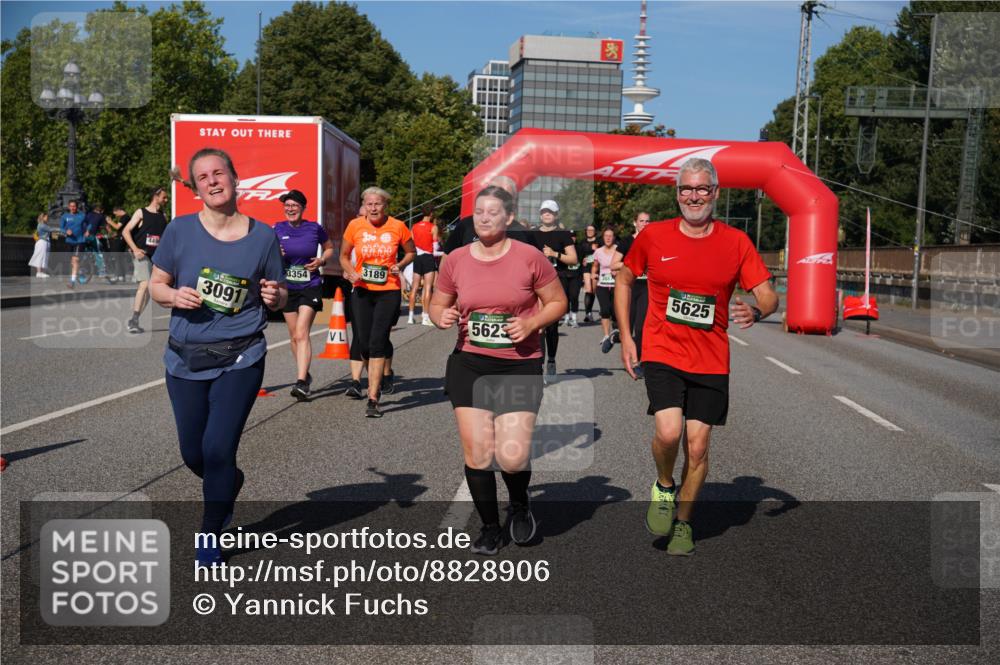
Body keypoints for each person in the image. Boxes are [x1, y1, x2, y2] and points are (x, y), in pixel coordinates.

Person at [615, 158, 778, 556]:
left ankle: (684, 524)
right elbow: (623, 277)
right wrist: (626, 337)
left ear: (715, 193)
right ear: (677, 194)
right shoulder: (654, 236)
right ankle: (664, 484)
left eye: (702, 189)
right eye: (686, 189)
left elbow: (769, 295)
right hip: (662, 348)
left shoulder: (736, 241)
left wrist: (757, 310)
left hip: (710, 358)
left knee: (699, 445)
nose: (694, 196)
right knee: (669, 432)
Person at [150, 147, 286, 566]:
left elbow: (280, 295)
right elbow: (157, 286)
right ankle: (228, 482)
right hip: (184, 357)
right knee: (194, 453)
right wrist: (174, 295)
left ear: (234, 177)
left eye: (218, 173)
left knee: (217, 447)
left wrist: (274, 295)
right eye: (203, 177)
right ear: (195, 188)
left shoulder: (262, 236)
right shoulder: (179, 230)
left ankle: (211, 531)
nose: (212, 181)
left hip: (239, 355)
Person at [430, 185, 567, 555]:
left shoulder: (530, 257)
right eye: (479, 212)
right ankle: (490, 527)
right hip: (469, 363)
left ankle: (519, 503)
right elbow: (437, 303)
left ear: (508, 218)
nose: (485, 218)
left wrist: (532, 323)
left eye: (493, 212)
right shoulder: (456, 259)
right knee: (477, 454)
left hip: (518, 364)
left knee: (511, 456)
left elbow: (558, 302)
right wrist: (439, 315)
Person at [340, 187, 415, 418]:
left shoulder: (397, 226)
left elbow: (411, 252)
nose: (373, 208)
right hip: (362, 290)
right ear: (364, 205)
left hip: (388, 291)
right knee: (363, 343)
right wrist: (351, 272)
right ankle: (377, 378)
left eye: (378, 204)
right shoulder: (355, 226)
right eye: (369, 203)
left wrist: (399, 266)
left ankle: (373, 398)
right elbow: (343, 256)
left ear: (385, 206)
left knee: (377, 342)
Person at [274, 189, 334, 400]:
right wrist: (276, 254)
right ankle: (304, 374)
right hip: (288, 286)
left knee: (301, 332)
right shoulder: (277, 229)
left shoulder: (314, 228)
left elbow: (329, 248)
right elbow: (268, 256)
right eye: (286, 206)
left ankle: (300, 383)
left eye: (294, 205)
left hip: (311, 284)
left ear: (302, 207)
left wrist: (321, 261)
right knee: (293, 336)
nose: (289, 209)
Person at [531, 200, 577, 382]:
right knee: (537, 326)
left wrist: (554, 254)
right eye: (544, 211)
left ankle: (551, 360)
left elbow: (573, 259)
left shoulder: (563, 234)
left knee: (550, 327)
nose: (546, 214)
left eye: (550, 212)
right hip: (535, 284)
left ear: (556, 215)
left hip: (556, 283)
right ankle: (538, 364)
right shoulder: (532, 234)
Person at [123, 187, 169, 333]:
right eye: (164, 197)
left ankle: (133, 320)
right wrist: (135, 249)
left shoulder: (163, 215)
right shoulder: (141, 212)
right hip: (142, 255)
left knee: (150, 290)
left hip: (157, 257)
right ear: (156, 197)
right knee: (144, 284)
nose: (166, 200)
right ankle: (135, 320)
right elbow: (125, 231)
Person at [612, 212, 651, 376]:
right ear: (635, 223)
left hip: (647, 288)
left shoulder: (653, 241)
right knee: (628, 325)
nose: (644, 224)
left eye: (648, 221)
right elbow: (614, 264)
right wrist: (634, 265)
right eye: (641, 221)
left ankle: (638, 361)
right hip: (630, 287)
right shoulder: (627, 241)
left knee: (642, 327)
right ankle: (617, 337)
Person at [408, 204, 439, 326]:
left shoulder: (414, 227)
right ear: (431, 214)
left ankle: (410, 316)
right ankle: (425, 316)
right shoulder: (433, 227)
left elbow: (411, 244)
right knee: (428, 287)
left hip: (417, 257)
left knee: (414, 287)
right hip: (428, 257)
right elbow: (435, 247)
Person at [591, 227, 619, 353]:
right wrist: (593, 274)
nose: (608, 238)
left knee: (615, 309)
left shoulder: (618, 250)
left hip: (616, 284)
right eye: (606, 235)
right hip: (602, 284)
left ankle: (617, 330)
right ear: (603, 237)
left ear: (614, 237)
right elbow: (595, 266)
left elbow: (624, 265)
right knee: (605, 309)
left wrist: (617, 271)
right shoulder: (598, 251)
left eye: (610, 236)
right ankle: (607, 335)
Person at [59, 200, 86, 287]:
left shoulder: (82, 216)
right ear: (68, 207)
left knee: (75, 260)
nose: (72, 208)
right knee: (72, 262)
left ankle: (72, 282)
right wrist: (66, 231)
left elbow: (88, 224)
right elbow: (61, 228)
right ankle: (80, 270)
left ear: (76, 207)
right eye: (71, 206)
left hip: (80, 241)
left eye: (74, 206)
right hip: (69, 241)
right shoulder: (65, 216)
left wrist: (88, 231)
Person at [578, 225, 599, 323]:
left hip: (596, 267)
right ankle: (588, 313)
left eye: (592, 230)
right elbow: (579, 255)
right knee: (588, 289)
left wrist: (596, 249)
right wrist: (582, 260)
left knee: (593, 290)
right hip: (586, 268)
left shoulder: (599, 241)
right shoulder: (582, 242)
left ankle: (590, 312)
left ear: (595, 231)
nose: (590, 231)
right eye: (588, 230)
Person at [105, 205, 130, 283]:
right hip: (122, 238)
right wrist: (111, 231)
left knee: (117, 257)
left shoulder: (125, 217)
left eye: (116, 213)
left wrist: (110, 221)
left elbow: (117, 227)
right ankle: (121, 276)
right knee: (120, 257)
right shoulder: (126, 217)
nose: (116, 215)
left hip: (121, 240)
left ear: (119, 210)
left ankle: (118, 276)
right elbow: (120, 230)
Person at [28, 212, 52, 278]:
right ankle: (39, 272)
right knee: (40, 256)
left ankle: (41, 272)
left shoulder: (44, 225)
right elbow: (36, 234)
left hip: (46, 242)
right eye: (47, 217)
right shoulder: (41, 225)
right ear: (43, 217)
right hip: (42, 242)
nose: (48, 218)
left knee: (44, 256)